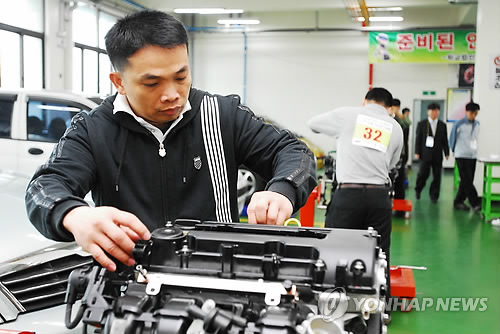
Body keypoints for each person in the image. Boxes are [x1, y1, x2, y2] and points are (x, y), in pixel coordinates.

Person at [25, 10, 317, 272]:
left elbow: (294, 152)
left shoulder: (222, 114)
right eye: (152, 83)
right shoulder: (93, 129)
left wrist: (282, 189)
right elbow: (44, 187)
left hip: (218, 274)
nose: (172, 94)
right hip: (130, 280)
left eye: (181, 76)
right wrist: (74, 215)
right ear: (119, 82)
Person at [308, 88, 403, 320]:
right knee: (380, 252)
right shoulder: (395, 127)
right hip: (378, 196)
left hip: (347, 196)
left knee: (335, 249)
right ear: (388, 107)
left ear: (365, 101)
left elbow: (313, 124)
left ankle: (331, 306)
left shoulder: (349, 115)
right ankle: (382, 309)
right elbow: (393, 163)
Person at [414, 103, 449, 203]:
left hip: (438, 154)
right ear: (428, 112)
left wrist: (446, 152)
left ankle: (434, 195)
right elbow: (418, 139)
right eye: (432, 110)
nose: (434, 113)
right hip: (425, 154)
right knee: (423, 174)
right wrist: (417, 152)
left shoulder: (442, 125)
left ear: (439, 112)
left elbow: (444, 140)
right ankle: (418, 189)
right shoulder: (422, 124)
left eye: (436, 111)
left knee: (437, 176)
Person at [449, 102, 481, 211]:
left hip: (472, 156)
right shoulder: (459, 124)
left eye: (476, 113)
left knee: (467, 180)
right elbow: (452, 138)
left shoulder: (477, 124)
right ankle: (475, 203)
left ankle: (458, 201)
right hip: (461, 155)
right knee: (466, 179)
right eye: (472, 113)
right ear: (466, 112)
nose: (474, 115)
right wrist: (454, 150)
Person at [391, 99, 411, 202]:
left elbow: (408, 124)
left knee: (400, 176)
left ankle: (399, 198)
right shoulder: (387, 117)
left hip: (400, 151)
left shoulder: (401, 118)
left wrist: (400, 115)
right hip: (387, 152)